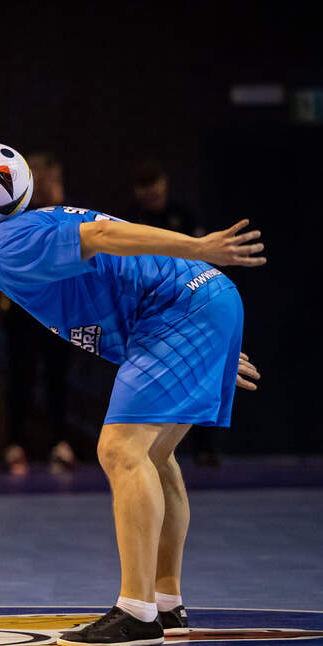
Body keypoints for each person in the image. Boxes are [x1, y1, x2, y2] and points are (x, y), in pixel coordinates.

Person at [0, 195, 263, 646]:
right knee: (156, 455)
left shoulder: (3, 249)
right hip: (191, 305)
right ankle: (166, 605)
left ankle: (136, 613)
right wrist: (207, 343)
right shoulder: (3, 258)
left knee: (121, 449)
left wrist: (198, 247)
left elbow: (101, 234)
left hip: (180, 307)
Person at [127, 160, 220, 467]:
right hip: (151, 311)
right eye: (145, 188)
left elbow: (202, 257)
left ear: (164, 183)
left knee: (197, 374)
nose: (152, 193)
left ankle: (204, 447)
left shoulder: (184, 215)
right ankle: (154, 447)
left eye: (155, 185)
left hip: (188, 305)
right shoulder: (132, 220)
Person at [2, 152, 80, 475]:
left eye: (53, 180)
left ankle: (59, 442)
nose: (48, 186)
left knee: (57, 377)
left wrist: (58, 203)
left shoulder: (67, 214)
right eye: (43, 180)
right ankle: (15, 444)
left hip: (59, 309)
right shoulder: (16, 216)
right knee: (21, 375)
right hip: (24, 309)